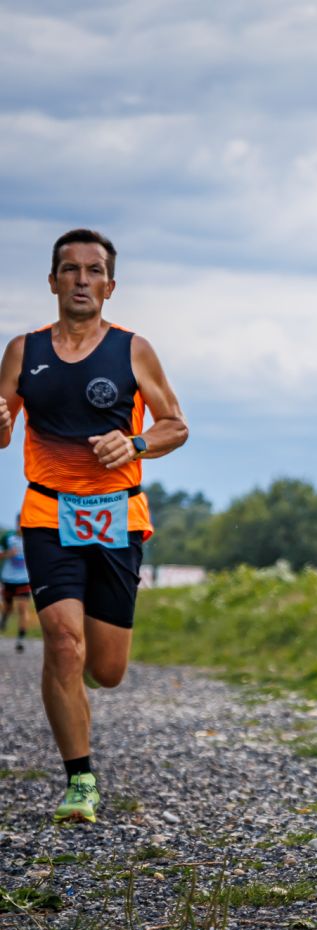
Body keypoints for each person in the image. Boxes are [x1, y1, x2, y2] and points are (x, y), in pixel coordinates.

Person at [0, 228, 188, 824]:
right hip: (47, 512)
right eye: (70, 269)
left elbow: (175, 426)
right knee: (61, 641)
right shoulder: (22, 351)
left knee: (105, 669)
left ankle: (75, 679)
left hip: (116, 517)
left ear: (110, 285)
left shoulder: (133, 350)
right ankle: (80, 781)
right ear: (52, 281)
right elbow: (2, 432)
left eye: (93, 271)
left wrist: (133, 443)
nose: (81, 280)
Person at [1, 514, 33, 652]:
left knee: (22, 608)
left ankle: (20, 639)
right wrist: (8, 553)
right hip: (8, 579)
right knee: (8, 607)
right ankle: (4, 618)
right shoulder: (8, 538)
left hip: (24, 580)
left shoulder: (32, 539)